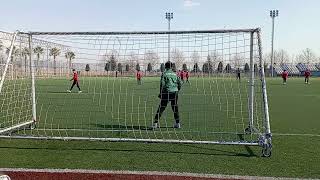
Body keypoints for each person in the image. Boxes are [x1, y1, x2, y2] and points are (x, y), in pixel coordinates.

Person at [153, 61, 182, 129]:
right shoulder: (175, 74)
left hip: (167, 92)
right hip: (175, 92)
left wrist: (161, 93)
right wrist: (177, 89)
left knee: (161, 108)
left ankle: (155, 123)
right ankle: (178, 124)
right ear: (171, 67)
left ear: (165, 67)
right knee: (175, 108)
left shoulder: (164, 74)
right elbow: (180, 83)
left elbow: (162, 84)